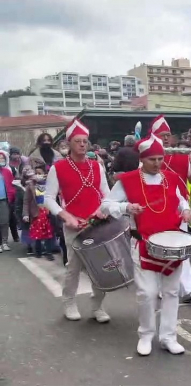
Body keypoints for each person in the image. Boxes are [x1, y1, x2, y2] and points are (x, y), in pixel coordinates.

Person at [100, 134, 191, 356]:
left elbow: (181, 200)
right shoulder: (129, 180)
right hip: (143, 244)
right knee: (147, 293)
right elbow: (105, 205)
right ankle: (146, 335)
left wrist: (186, 210)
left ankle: (169, 337)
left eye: (160, 158)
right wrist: (126, 208)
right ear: (142, 159)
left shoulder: (170, 178)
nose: (158, 163)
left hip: (172, 243)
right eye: (153, 159)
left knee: (171, 292)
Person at [44, 118, 111, 322]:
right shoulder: (58, 168)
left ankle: (97, 305)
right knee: (73, 268)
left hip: (97, 225)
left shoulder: (96, 167)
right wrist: (66, 216)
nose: (82, 144)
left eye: (85, 141)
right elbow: (48, 198)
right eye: (78, 141)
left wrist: (103, 211)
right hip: (73, 226)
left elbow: (106, 194)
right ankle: (69, 302)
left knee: (100, 268)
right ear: (68, 144)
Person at [149, 115, 191, 303]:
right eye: (161, 135)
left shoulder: (181, 156)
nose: (165, 138)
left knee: (182, 249)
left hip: (180, 209)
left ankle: (188, 289)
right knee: (160, 249)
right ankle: (162, 287)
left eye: (167, 135)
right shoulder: (148, 159)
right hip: (156, 209)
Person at [23, 165, 56, 260]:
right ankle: (38, 252)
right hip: (37, 213)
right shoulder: (30, 186)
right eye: (36, 173)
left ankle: (49, 252)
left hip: (48, 212)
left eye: (40, 173)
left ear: (44, 174)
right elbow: (26, 201)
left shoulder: (50, 184)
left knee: (49, 233)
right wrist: (25, 214)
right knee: (37, 234)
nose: (38, 175)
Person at [0, 150, 16, 251]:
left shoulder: (7, 171)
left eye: (2, 159)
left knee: (4, 222)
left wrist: (12, 197)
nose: (1, 160)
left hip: (4, 200)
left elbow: (12, 185)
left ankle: (5, 242)